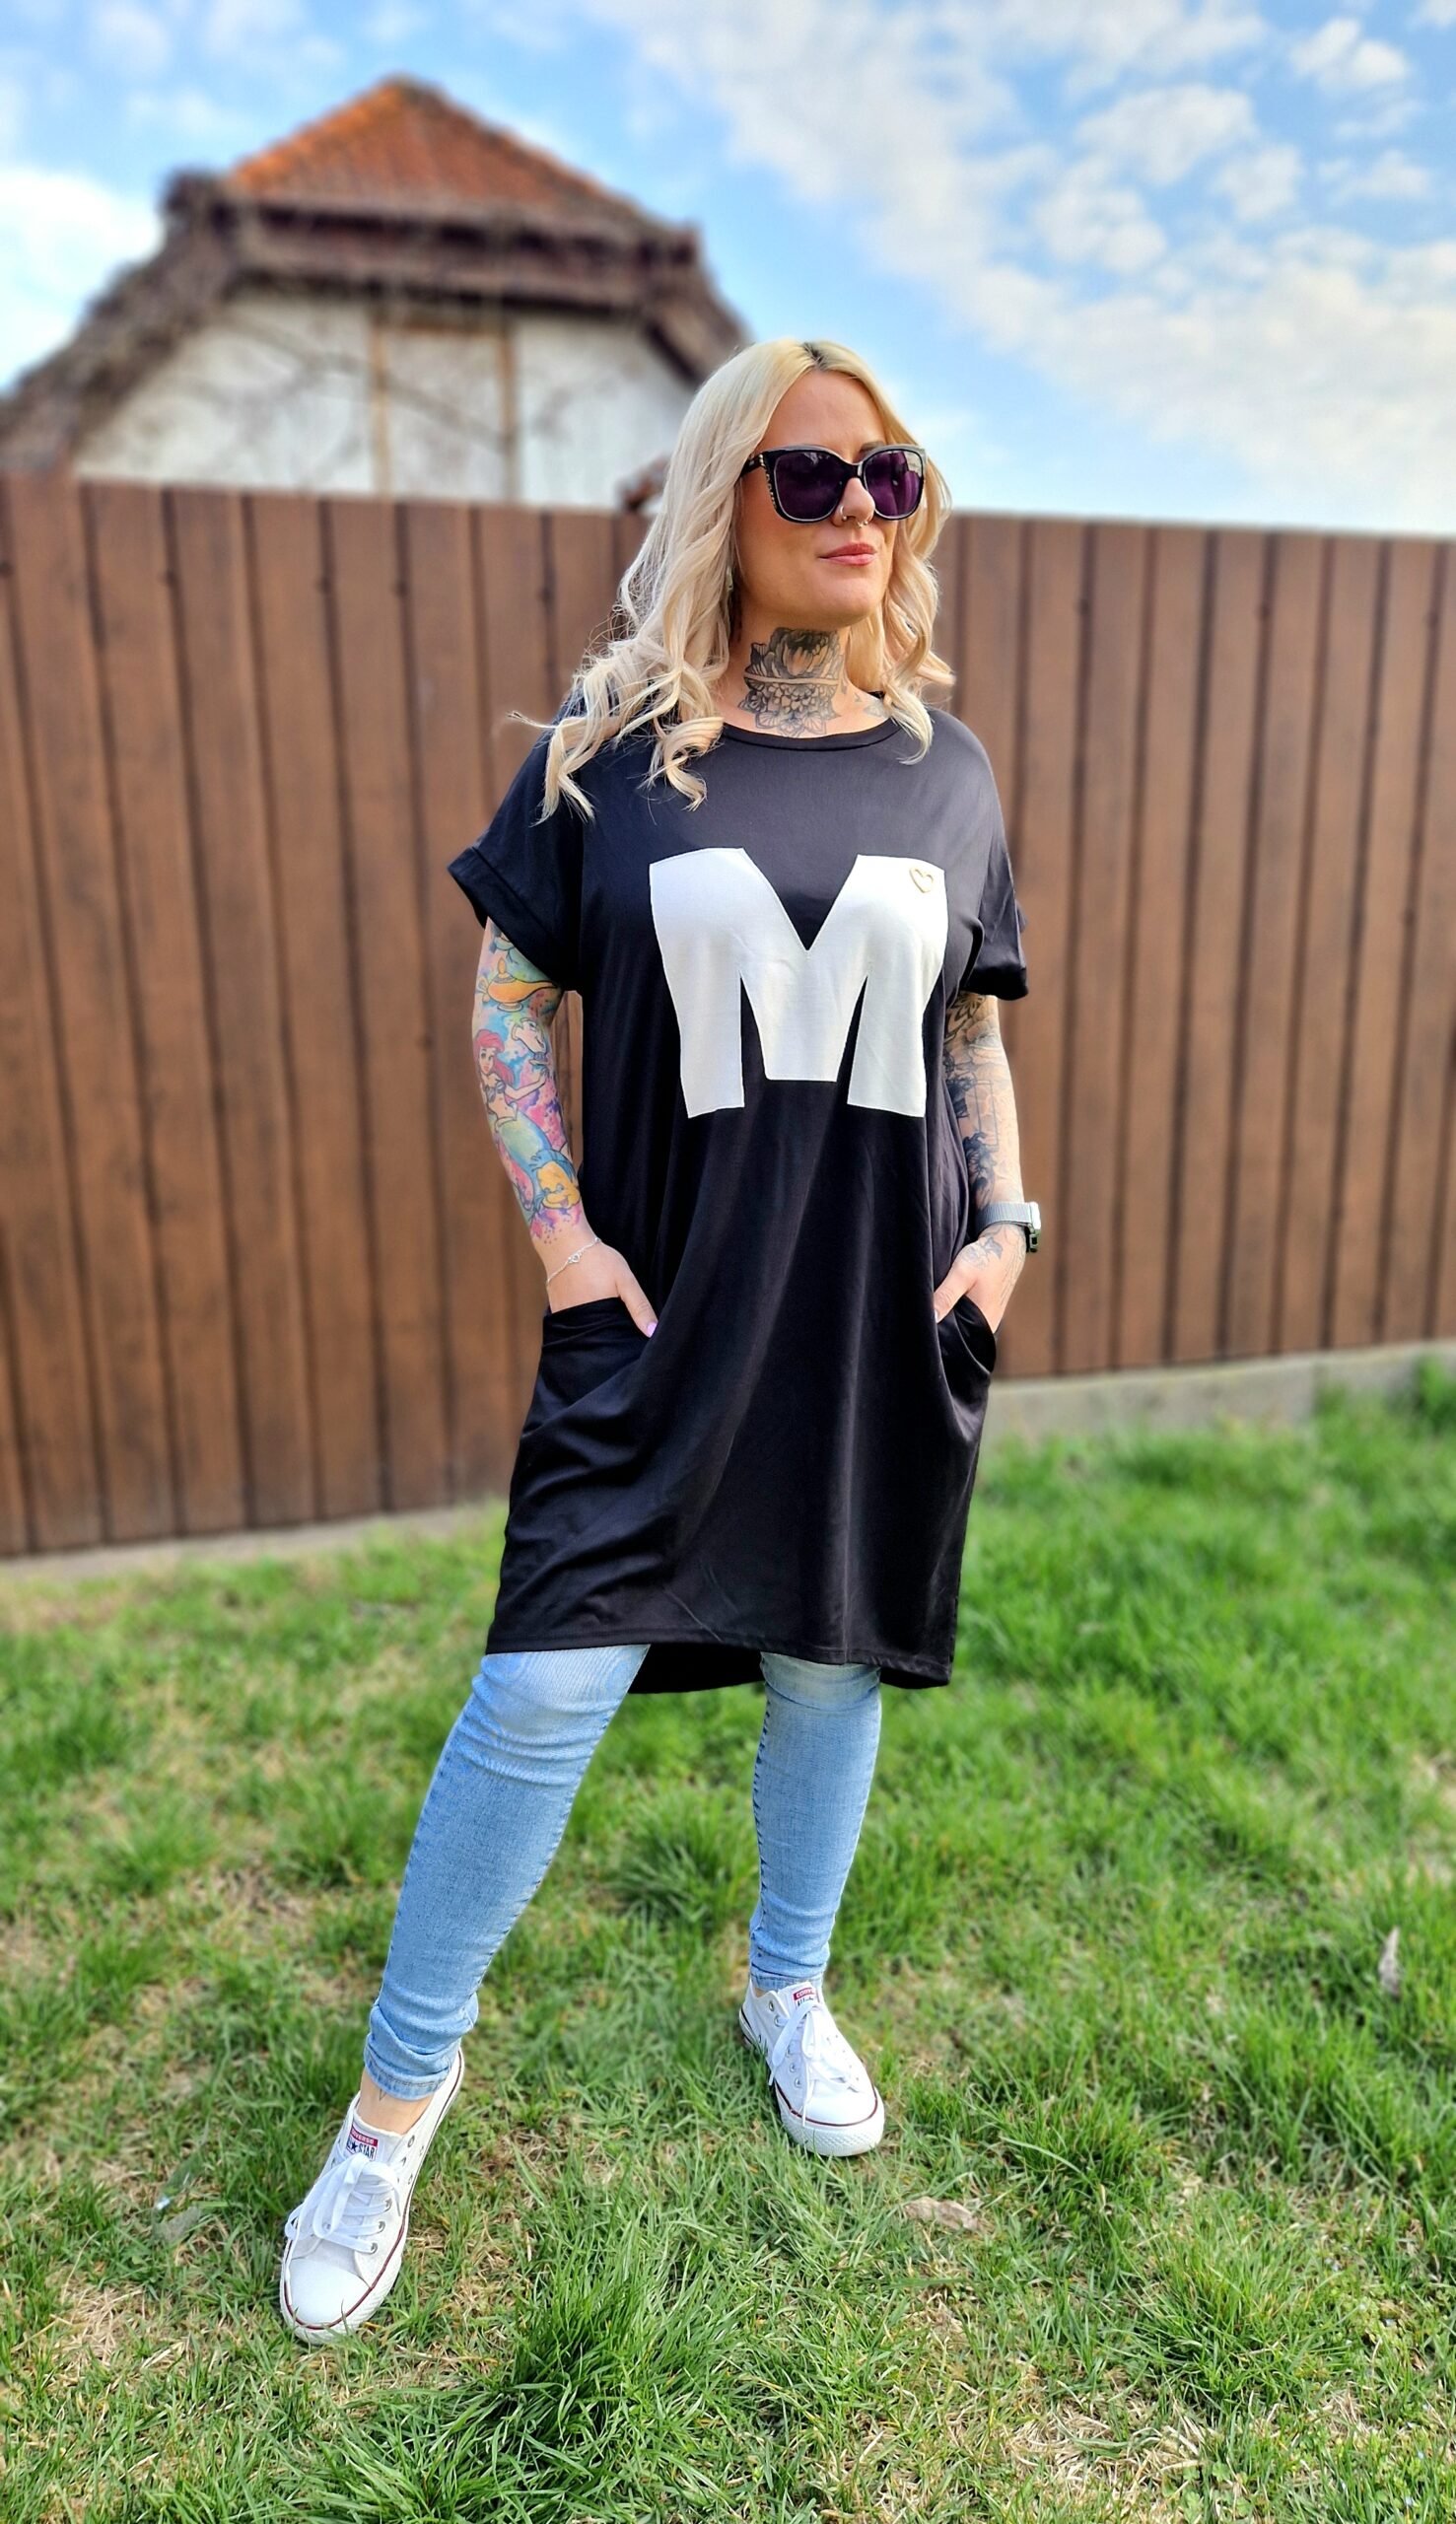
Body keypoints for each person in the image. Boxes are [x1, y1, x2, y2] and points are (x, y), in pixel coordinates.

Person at [278, 336, 1037, 2346]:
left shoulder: (945, 771)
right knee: (541, 1686)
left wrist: (1005, 1231)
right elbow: (506, 995)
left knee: (828, 1660)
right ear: (723, 497)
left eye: (889, 471)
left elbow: (971, 1023)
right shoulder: (607, 759)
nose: (860, 506)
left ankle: (787, 1985)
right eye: (812, 473)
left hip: (874, 1311)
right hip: (658, 1314)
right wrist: (556, 1226)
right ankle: (390, 2103)